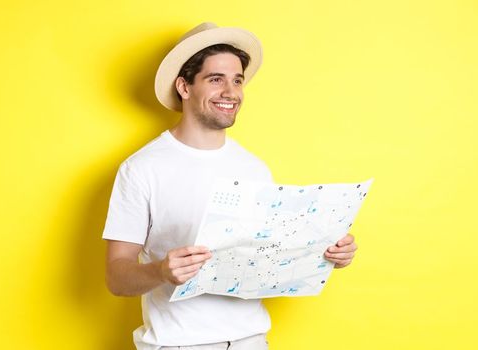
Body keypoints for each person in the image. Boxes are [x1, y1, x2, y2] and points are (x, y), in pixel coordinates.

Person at [101, 22, 359, 350]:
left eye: (237, 80)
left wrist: (325, 250)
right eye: (216, 79)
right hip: (179, 345)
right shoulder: (141, 169)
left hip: (251, 342)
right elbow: (116, 276)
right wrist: (162, 271)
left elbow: (269, 257)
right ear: (184, 86)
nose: (231, 92)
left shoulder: (255, 168)